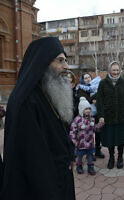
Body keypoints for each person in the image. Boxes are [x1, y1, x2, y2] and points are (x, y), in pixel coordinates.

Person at [1, 37, 75, 199]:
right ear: (43, 62)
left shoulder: (47, 92)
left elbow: (56, 130)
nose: (66, 66)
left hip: (60, 176)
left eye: (66, 60)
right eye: (60, 60)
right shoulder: (26, 101)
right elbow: (33, 160)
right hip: (44, 187)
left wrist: (69, 151)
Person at [96, 61, 124, 169]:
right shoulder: (102, 83)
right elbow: (99, 101)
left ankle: (120, 158)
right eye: (113, 70)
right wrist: (101, 115)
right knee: (110, 139)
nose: (115, 72)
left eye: (117, 70)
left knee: (121, 139)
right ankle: (111, 157)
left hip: (121, 117)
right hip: (108, 117)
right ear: (109, 71)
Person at [69, 97, 102, 175]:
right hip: (80, 143)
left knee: (90, 155)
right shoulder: (77, 120)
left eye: (89, 108)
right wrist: (74, 141)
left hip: (90, 143)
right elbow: (72, 132)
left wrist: (100, 124)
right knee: (79, 156)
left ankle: (90, 166)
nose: (88, 110)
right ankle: (79, 166)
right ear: (81, 110)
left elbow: (95, 129)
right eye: (85, 109)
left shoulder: (92, 119)